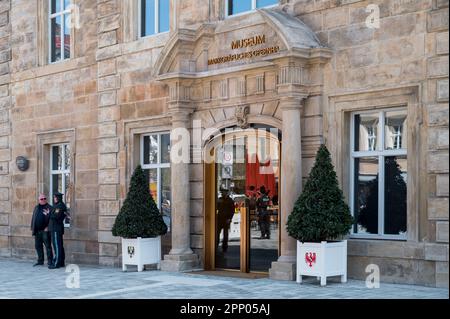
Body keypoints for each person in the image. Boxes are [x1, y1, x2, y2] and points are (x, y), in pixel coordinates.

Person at [30, 194, 53, 267]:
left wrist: (48, 227)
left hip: (45, 231)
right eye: (41, 199)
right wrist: (32, 227)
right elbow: (33, 218)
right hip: (37, 231)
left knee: (48, 246)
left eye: (44, 198)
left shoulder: (50, 208)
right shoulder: (36, 207)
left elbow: (52, 220)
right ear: (39, 200)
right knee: (38, 246)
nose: (43, 200)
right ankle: (40, 261)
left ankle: (50, 261)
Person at [48, 192, 67, 269]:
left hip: (56, 229)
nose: (54, 199)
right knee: (58, 246)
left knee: (57, 246)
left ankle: (57, 263)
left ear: (58, 198)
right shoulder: (57, 206)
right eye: (54, 197)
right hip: (54, 228)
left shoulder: (60, 206)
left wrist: (48, 213)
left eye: (55, 197)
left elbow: (55, 216)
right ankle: (61, 262)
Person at [216, 189, 235, 253]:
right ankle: (216, 245)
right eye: (222, 192)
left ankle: (224, 247)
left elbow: (232, 210)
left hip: (226, 219)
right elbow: (216, 208)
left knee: (225, 234)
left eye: (224, 192)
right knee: (217, 233)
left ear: (227, 193)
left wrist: (230, 218)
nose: (223, 193)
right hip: (219, 219)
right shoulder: (219, 199)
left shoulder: (230, 201)